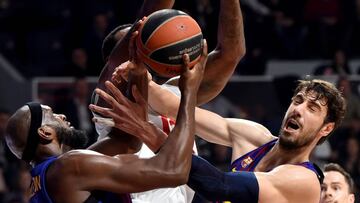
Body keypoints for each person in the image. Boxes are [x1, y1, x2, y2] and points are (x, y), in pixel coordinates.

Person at [4, 41, 208, 203]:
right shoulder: (68, 167)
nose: (62, 116)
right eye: (53, 115)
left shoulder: (43, 180)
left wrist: (138, 74)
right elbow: (176, 172)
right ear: (44, 133)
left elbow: (127, 143)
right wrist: (189, 91)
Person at [90, 0, 245, 202]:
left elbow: (231, 53)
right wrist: (148, 25)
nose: (144, 47)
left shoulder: (178, 91)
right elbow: (151, 10)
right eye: (139, 41)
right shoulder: (108, 93)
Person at [120, 77, 346, 202]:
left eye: (312, 108)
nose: (298, 110)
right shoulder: (253, 136)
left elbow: (220, 186)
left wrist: (153, 137)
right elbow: (176, 109)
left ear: (326, 128)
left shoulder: (304, 181)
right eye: (297, 101)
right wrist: (143, 80)